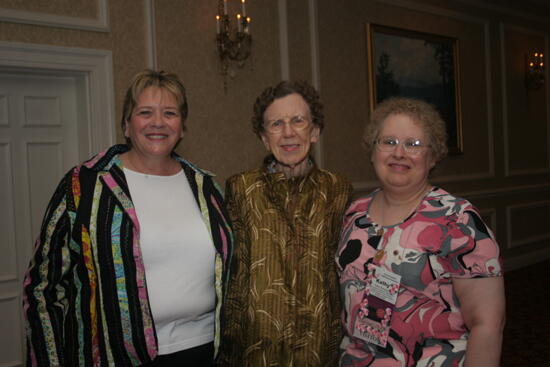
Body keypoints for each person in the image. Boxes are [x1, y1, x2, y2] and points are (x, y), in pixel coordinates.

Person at [22, 69, 233, 366]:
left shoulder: (207, 187)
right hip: (116, 356)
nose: (158, 122)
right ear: (126, 124)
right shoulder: (84, 185)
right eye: (145, 112)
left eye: (169, 113)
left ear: (182, 127)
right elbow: (43, 285)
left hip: (204, 350)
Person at [336, 97, 505, 366]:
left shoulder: (458, 220)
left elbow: (487, 325)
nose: (398, 153)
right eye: (388, 142)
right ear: (372, 151)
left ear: (433, 156)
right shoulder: (355, 214)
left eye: (413, 144)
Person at [217, 80, 353, 366]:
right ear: (265, 138)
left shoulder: (338, 190)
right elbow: (228, 273)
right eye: (276, 124)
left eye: (297, 121)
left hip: (319, 350)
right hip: (254, 350)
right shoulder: (241, 189)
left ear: (314, 131)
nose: (288, 132)